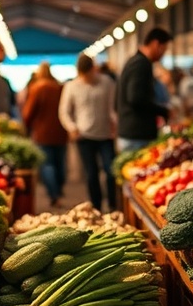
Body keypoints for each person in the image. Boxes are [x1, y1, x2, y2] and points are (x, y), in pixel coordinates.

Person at [60, 55, 118, 212]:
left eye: (88, 74)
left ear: (94, 69)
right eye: (83, 76)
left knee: (110, 171)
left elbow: (112, 107)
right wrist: (72, 127)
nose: (86, 78)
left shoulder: (107, 82)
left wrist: (115, 122)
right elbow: (64, 111)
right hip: (84, 136)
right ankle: (96, 206)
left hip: (105, 134)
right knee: (91, 174)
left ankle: (113, 204)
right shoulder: (72, 86)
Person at [116, 27, 172, 153]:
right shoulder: (141, 64)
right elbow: (136, 98)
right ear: (156, 44)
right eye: (164, 49)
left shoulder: (134, 61)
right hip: (136, 136)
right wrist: (164, 111)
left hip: (131, 134)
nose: (163, 55)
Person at [21, 62, 69, 206]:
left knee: (47, 165)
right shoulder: (60, 87)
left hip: (42, 133)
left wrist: (26, 128)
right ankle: (59, 189)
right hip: (61, 132)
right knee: (60, 163)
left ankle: (54, 195)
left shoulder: (37, 88)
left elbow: (28, 113)